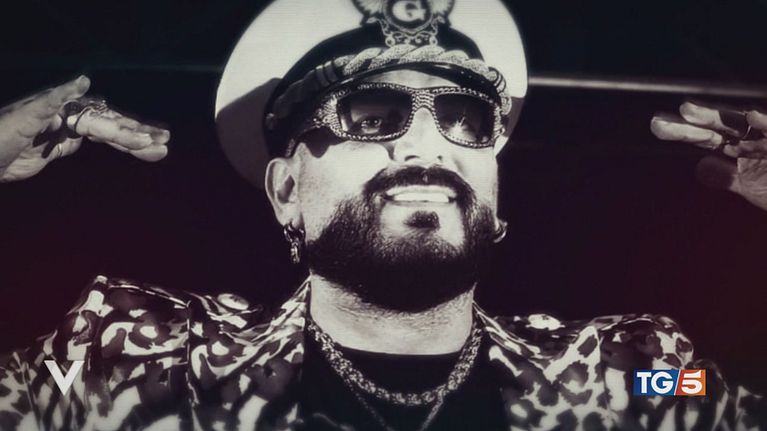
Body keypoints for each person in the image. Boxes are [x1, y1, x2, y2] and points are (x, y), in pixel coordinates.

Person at [1, 0, 766, 429]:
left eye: (466, 120)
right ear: (285, 192)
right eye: (371, 115)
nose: (427, 144)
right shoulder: (125, 360)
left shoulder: (633, 375)